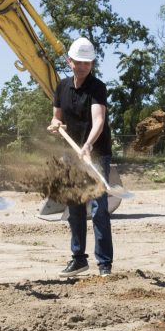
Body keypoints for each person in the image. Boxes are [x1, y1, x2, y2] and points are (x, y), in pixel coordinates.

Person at [48, 36, 113, 277]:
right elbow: (57, 117)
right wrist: (55, 124)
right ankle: (78, 259)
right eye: (79, 62)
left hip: (96, 153)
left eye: (88, 63)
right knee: (74, 207)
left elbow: (99, 121)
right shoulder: (62, 87)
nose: (84, 67)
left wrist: (87, 146)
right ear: (70, 61)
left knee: (98, 209)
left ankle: (104, 264)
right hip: (71, 156)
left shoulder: (97, 87)